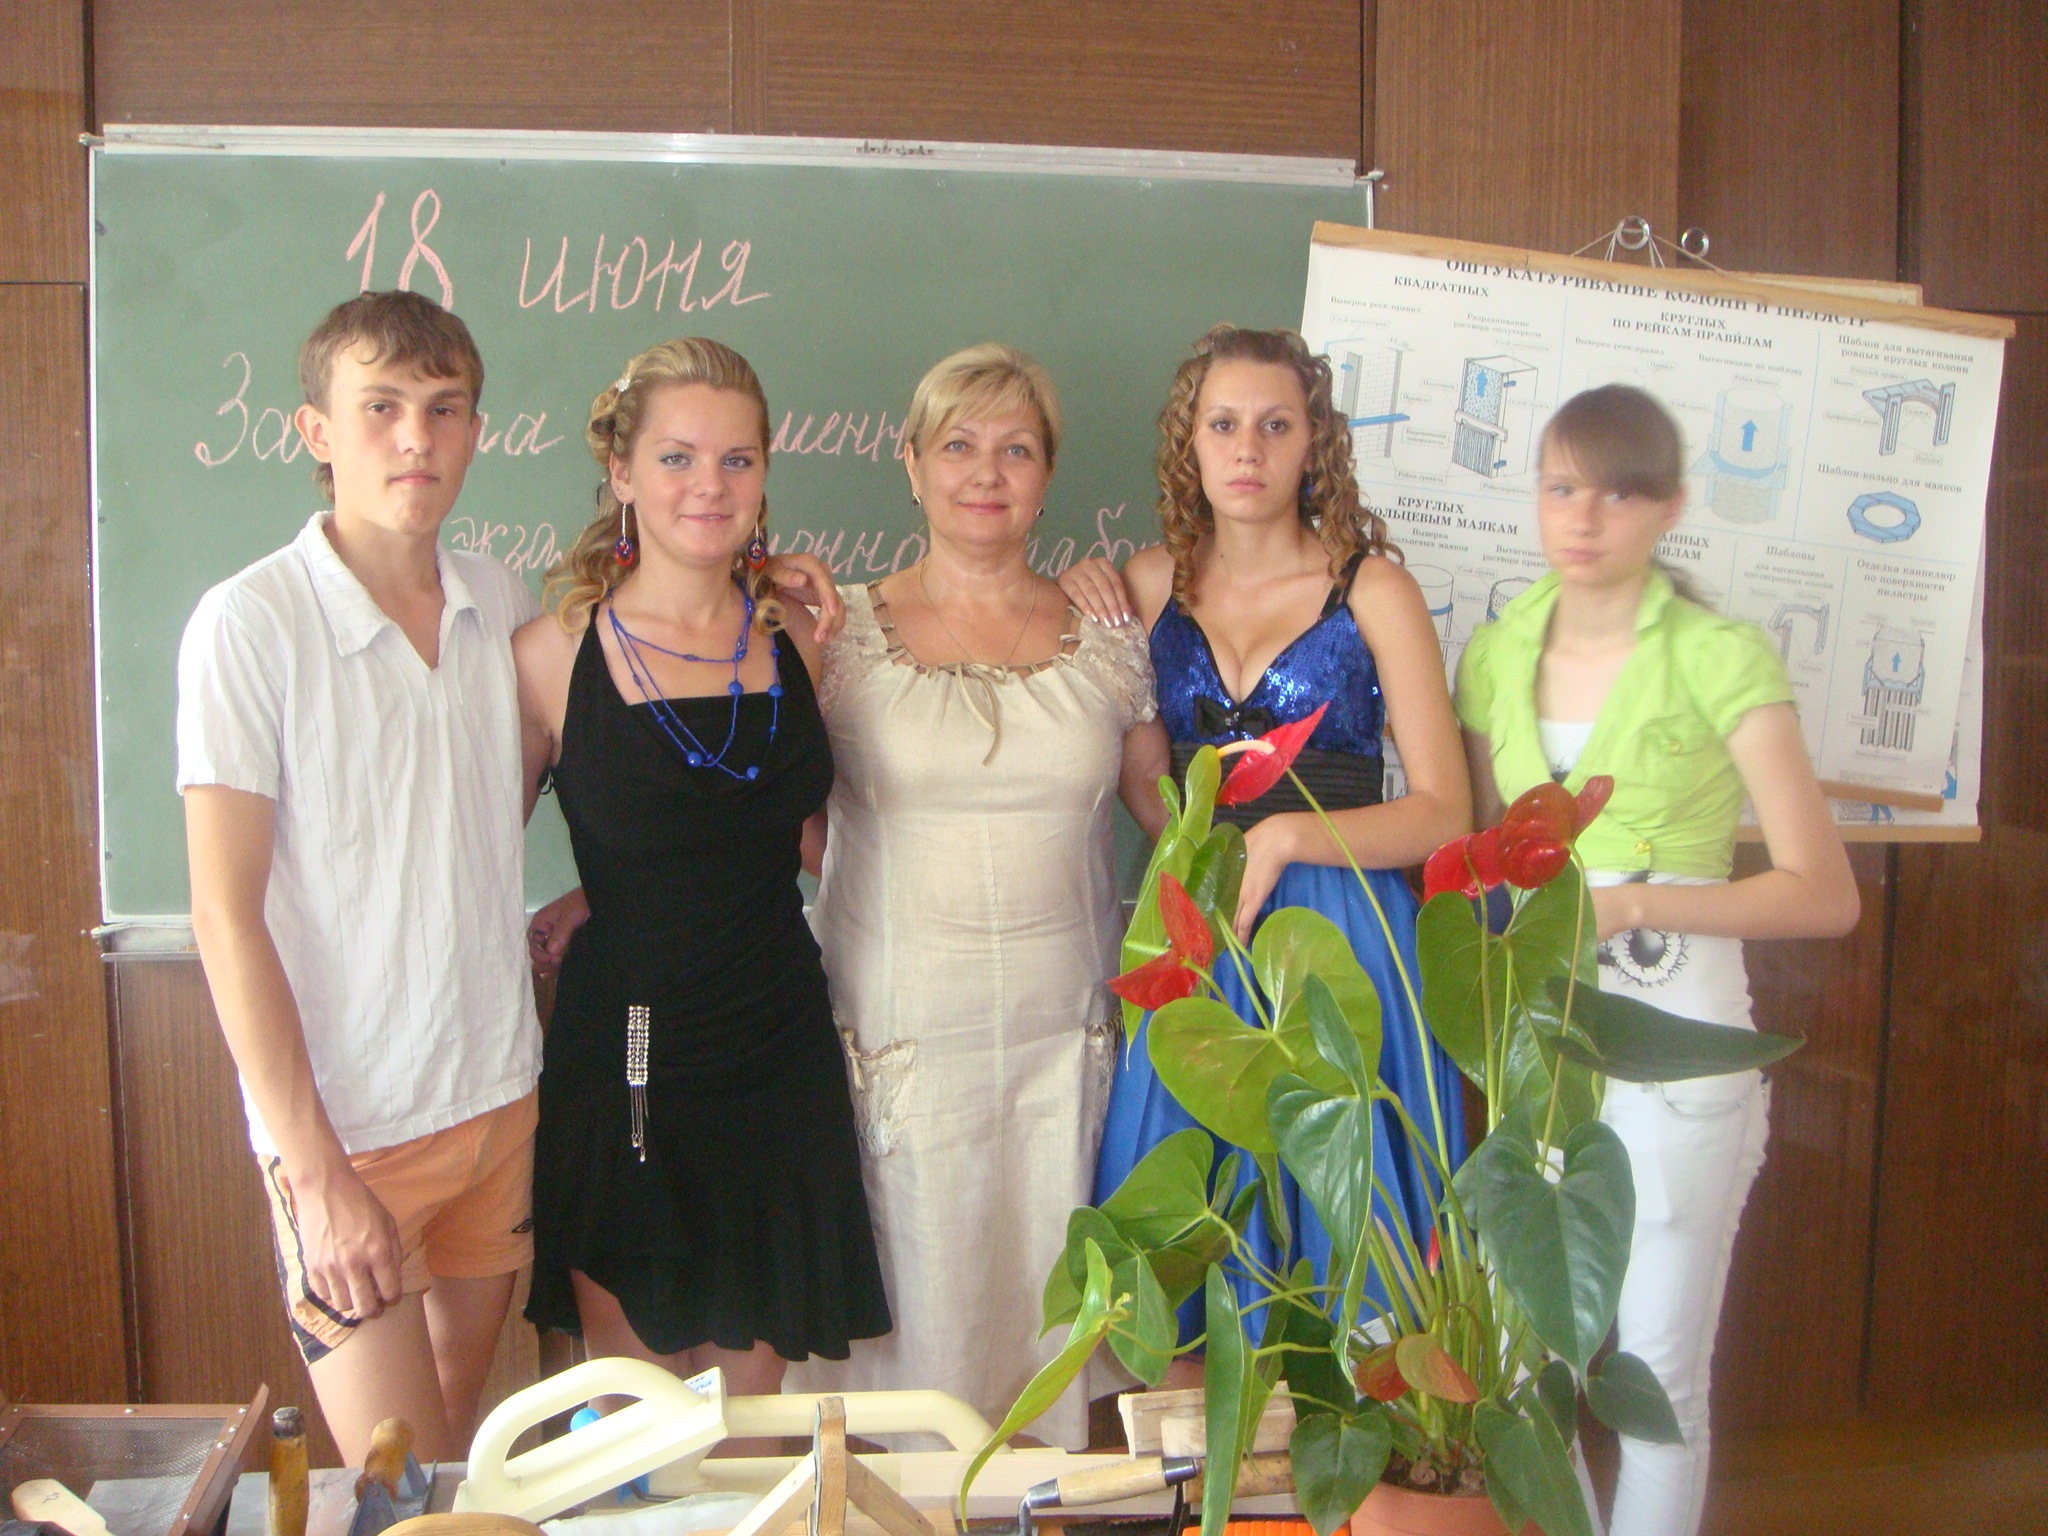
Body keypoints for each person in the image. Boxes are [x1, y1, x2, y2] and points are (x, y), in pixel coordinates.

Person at [1454, 385, 1860, 1536]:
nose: (1583, 518)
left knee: (1656, 1382)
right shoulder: (1494, 652)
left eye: (1618, 493)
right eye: (1560, 488)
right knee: (1524, 1375)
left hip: (1677, 1029)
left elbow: (1823, 894)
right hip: (1542, 1043)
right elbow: (1493, 859)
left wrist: (1634, 899)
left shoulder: (1717, 655)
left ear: (1669, 507)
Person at [784, 344, 1171, 1449]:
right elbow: (785, 812)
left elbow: (1164, 813)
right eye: (957, 445)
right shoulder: (835, 630)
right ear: (911, 465)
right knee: (913, 1340)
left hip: (1064, 1042)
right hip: (900, 1044)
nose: (985, 473)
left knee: (1045, 1329)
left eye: (1016, 449)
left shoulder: (1109, 631)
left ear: (1047, 475)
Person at [1059, 325, 1471, 1355]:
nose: (1247, 449)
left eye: (1276, 426)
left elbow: (1442, 812)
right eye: (1224, 424)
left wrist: (1283, 839)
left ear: (1313, 443)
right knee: (1182, 1254)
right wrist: (1073, 595)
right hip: (1199, 935)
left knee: (1351, 1258)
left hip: (1345, 936)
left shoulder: (1371, 590)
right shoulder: (1146, 586)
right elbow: (1142, 783)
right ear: (1189, 444)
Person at [179, 290, 541, 1463]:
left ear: (475, 430)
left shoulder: (502, 601)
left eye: (444, 408)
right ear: (317, 431)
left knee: (449, 1450)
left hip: (496, 1098)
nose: (414, 438)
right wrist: (314, 1173)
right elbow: (223, 915)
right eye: (379, 407)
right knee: (394, 1483)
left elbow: (511, 812)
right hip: (353, 1132)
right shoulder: (250, 623)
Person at [513, 339, 890, 1405]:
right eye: (676, 458)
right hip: (627, 1055)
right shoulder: (547, 657)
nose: (708, 487)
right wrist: (602, 888)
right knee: (637, 1423)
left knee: (750, 1429)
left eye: (736, 460)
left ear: (764, 474)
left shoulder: (805, 637)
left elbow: (803, 834)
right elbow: (462, 857)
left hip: (776, 1051)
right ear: (622, 473)